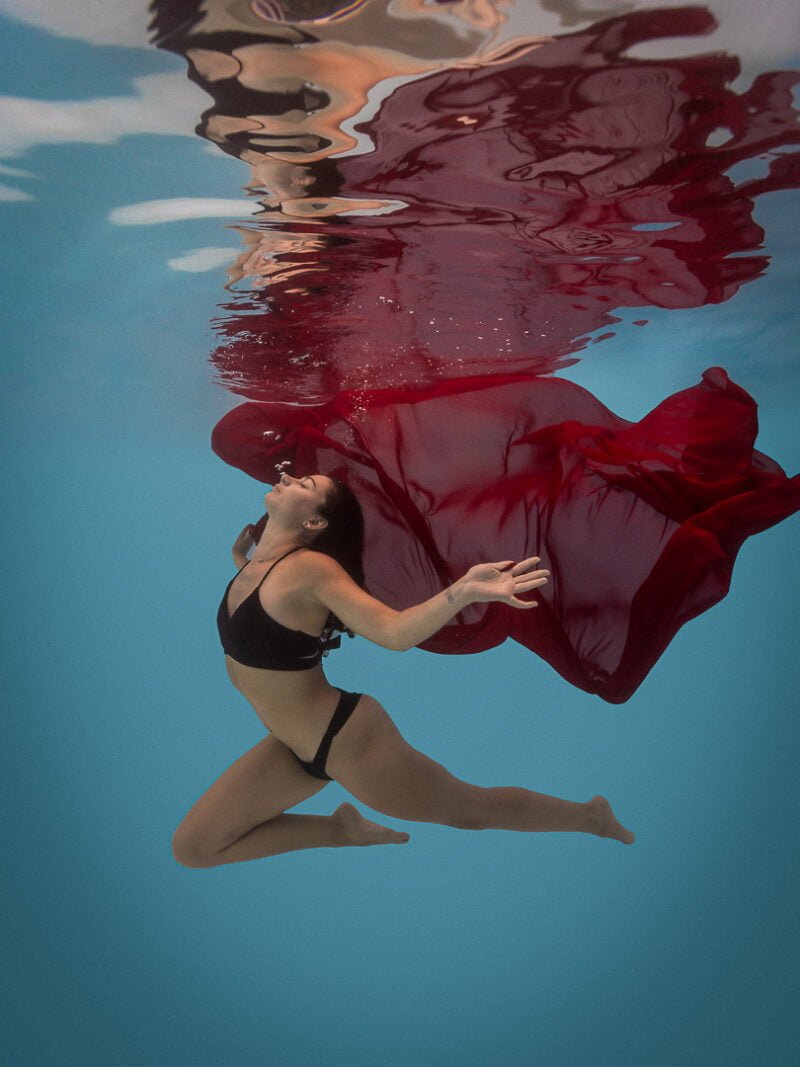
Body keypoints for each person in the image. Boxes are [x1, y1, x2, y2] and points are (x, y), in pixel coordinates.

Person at [172, 472, 634, 868]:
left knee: (468, 809)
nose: (288, 477)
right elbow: (268, 617)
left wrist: (464, 592)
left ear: (313, 522)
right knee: (195, 848)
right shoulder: (257, 568)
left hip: (345, 741)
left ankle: (588, 816)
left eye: (304, 483)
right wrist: (242, 564)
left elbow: (393, 633)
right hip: (293, 746)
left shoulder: (311, 569)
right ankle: (338, 832)